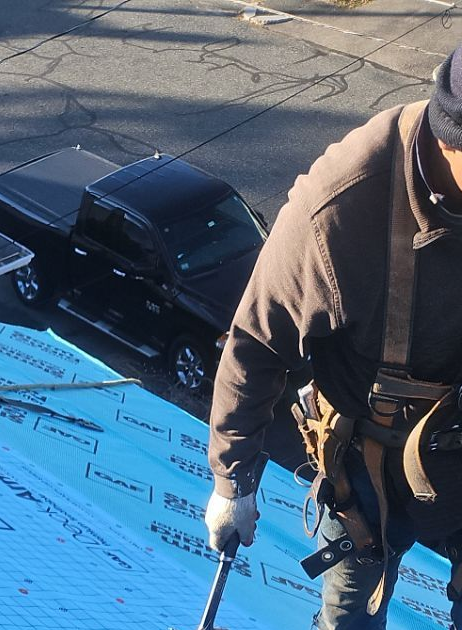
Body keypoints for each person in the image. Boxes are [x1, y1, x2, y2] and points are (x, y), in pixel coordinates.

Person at [204, 45, 462, 629]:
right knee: (351, 616)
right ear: (452, 142)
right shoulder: (341, 205)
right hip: (369, 469)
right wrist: (232, 480)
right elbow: (256, 342)